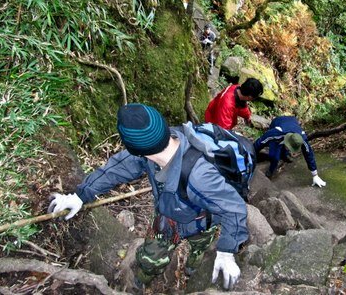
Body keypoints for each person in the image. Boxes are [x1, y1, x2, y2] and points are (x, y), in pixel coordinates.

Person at [48, 103, 247, 290]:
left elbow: (234, 207)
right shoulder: (159, 144)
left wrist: (226, 252)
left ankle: (192, 270)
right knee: (149, 260)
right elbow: (118, 167)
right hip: (168, 215)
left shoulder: (199, 176)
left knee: (199, 249)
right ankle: (141, 282)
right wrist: (81, 196)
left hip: (204, 220)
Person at [254, 115, 326, 187]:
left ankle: (284, 155)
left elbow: (309, 154)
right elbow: (260, 143)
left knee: (282, 153)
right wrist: (251, 155)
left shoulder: (302, 139)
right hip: (278, 122)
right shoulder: (276, 133)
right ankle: (271, 171)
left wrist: (315, 175)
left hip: (292, 121)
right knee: (274, 157)